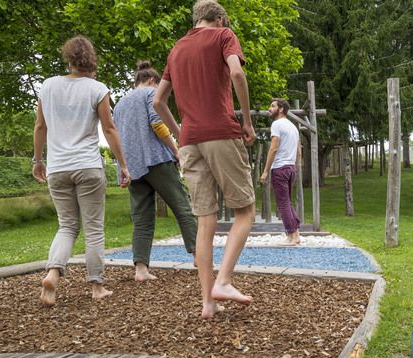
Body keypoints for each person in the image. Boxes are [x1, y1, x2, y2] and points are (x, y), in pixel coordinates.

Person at [154, 0, 256, 318]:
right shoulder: (224, 35)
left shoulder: (176, 49)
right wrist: (248, 122)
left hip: (189, 142)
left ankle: (207, 304)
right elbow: (237, 73)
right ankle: (223, 281)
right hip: (221, 133)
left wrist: (180, 129)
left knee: (205, 220)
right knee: (245, 209)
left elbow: (158, 101)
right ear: (220, 18)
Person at [32, 35, 131, 307]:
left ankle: (52, 274)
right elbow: (109, 129)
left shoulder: (48, 86)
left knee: (67, 226)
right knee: (94, 229)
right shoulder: (98, 89)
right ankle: (97, 286)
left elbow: (40, 127)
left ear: (69, 59)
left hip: (58, 168)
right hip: (87, 166)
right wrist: (123, 165)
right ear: (91, 60)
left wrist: (37, 160)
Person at [113, 60, 198, 282]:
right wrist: (177, 150)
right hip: (156, 160)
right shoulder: (151, 93)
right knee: (183, 207)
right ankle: (199, 256)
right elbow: (158, 125)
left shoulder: (120, 104)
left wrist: (122, 167)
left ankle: (141, 269)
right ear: (152, 81)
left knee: (141, 218)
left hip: (132, 167)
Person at [260, 99, 302, 245]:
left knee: (283, 204)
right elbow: (298, 149)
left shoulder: (276, 124)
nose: (269, 109)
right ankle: (295, 234)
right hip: (290, 168)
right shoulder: (293, 127)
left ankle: (292, 236)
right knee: (287, 202)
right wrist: (296, 166)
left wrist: (265, 171)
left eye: (272, 106)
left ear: (281, 109)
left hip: (279, 168)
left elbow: (273, 148)